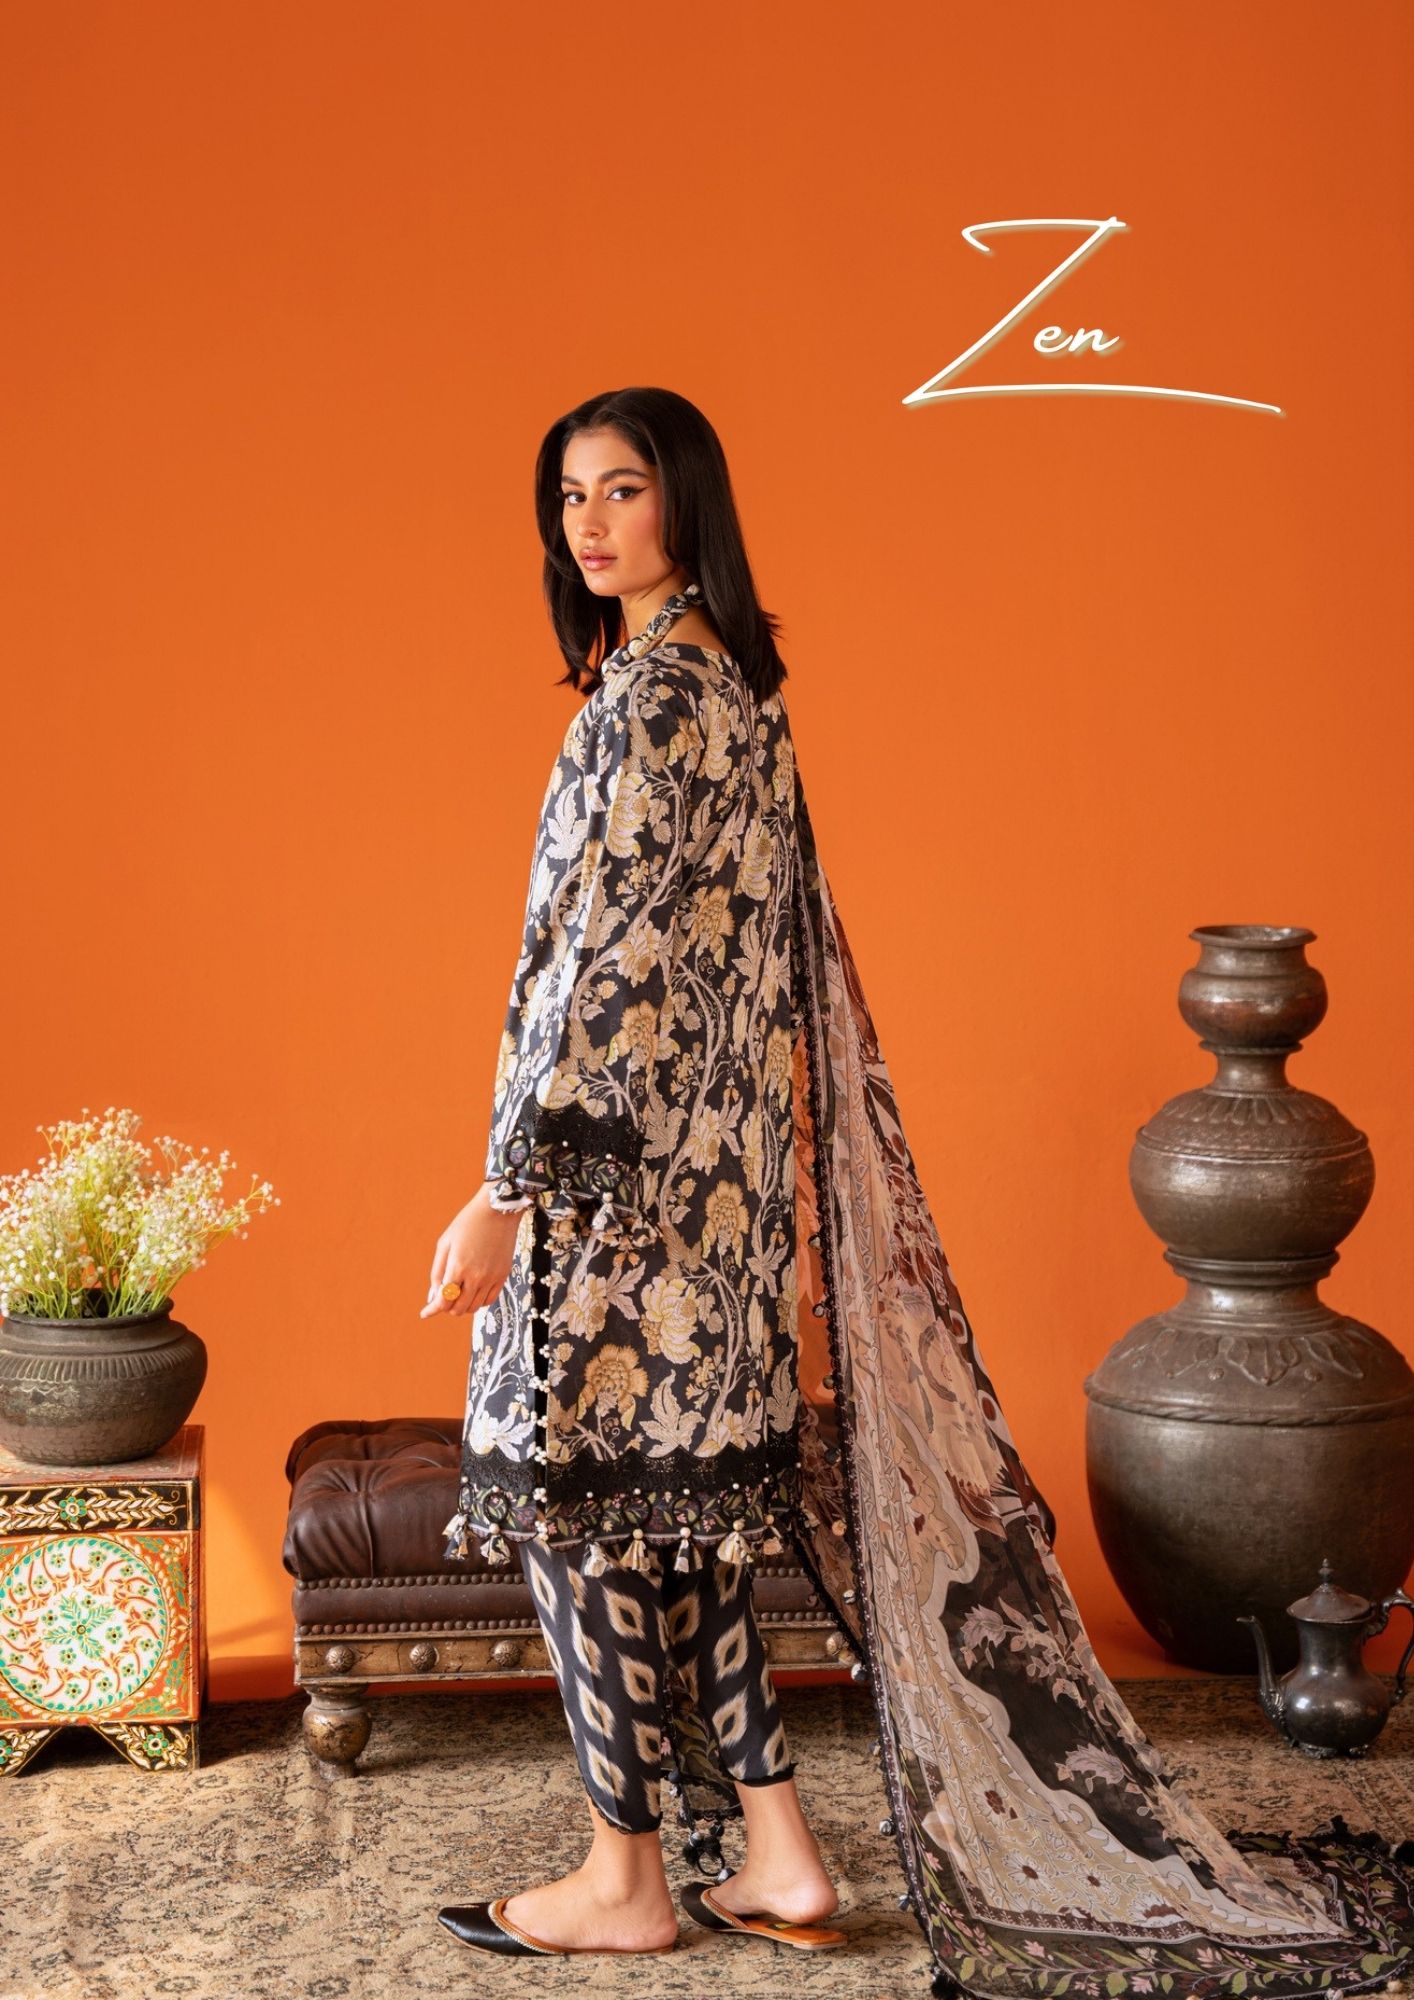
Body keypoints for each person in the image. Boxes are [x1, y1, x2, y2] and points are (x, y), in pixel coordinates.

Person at [421, 386, 1414, 1991]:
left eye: (621, 489)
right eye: (568, 495)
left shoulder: (648, 702)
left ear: (686, 504)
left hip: (612, 1210)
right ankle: (778, 1850)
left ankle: (622, 1876)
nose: (586, 522)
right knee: (687, 1522)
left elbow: (606, 978)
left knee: (575, 1519)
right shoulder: (736, 690)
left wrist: (505, 1194)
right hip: (719, 1217)